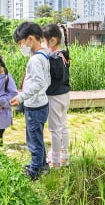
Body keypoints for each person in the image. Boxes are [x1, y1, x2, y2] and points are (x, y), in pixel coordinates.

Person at [10, 22, 51, 180]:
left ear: (31, 39)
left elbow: (39, 83)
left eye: (21, 43)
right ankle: (42, 165)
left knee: (33, 140)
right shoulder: (43, 55)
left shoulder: (35, 60)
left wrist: (21, 97)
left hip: (35, 106)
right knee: (37, 137)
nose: (21, 47)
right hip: (40, 103)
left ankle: (34, 170)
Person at [42, 24, 71, 168]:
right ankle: (64, 157)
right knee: (63, 127)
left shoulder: (52, 59)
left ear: (52, 41)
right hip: (65, 96)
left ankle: (55, 161)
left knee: (54, 130)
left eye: (43, 41)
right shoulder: (63, 55)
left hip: (54, 97)